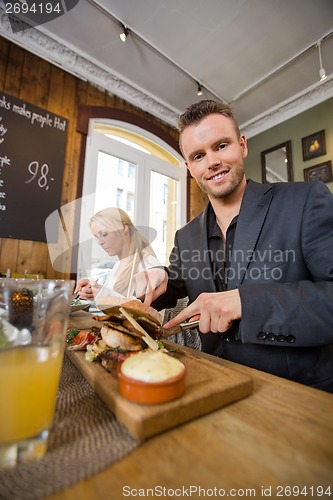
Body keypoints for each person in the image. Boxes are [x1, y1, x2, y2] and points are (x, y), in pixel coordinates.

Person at [135, 99, 333, 392]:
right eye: (199, 155)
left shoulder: (305, 200)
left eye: (221, 146)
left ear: (242, 145)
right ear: (190, 167)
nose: (212, 161)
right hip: (213, 391)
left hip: (299, 398)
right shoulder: (185, 236)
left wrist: (245, 302)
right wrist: (157, 276)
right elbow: (173, 283)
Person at [74, 207, 161, 304]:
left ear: (123, 227)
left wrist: (102, 294)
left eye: (104, 234)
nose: (100, 242)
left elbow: (148, 312)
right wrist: (93, 288)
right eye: (96, 237)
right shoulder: (119, 264)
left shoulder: (149, 264)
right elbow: (115, 299)